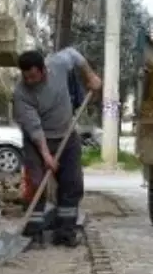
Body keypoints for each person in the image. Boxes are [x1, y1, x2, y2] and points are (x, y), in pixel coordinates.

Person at [13, 48, 103, 247]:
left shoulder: (58, 64)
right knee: (36, 183)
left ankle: (65, 232)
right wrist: (46, 156)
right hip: (38, 140)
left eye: (33, 76)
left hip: (66, 134)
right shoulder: (20, 93)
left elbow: (74, 54)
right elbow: (34, 128)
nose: (29, 81)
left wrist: (90, 76)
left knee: (72, 183)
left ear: (44, 70)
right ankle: (33, 234)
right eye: (26, 77)